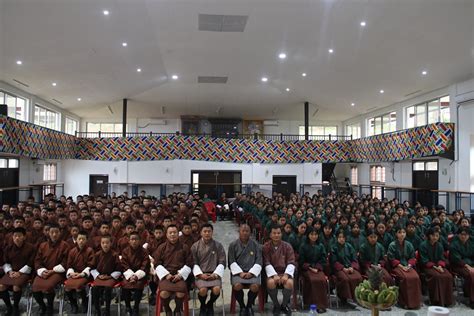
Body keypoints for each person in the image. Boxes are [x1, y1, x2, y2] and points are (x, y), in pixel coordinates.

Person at [153, 224, 193, 316]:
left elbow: (189, 263)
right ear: (166, 235)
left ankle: (177, 309)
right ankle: (167, 310)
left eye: (174, 232)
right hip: (166, 276)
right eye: (170, 233)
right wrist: (166, 275)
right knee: (163, 293)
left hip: (180, 275)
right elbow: (157, 263)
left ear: (178, 234)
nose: (172, 235)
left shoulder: (184, 247)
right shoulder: (161, 247)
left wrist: (180, 275)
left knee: (180, 292)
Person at [32, 223, 71, 315]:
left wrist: (53, 270)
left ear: (60, 233)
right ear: (48, 233)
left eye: (56, 232)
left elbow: (66, 262)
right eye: (52, 232)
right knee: (34, 288)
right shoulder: (43, 245)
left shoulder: (65, 245)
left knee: (48, 287)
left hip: (57, 273)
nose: (54, 234)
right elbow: (37, 260)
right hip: (44, 271)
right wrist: (41, 270)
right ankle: (42, 306)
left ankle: (50, 307)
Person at [191, 223, 226, 316]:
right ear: (201, 233)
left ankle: (210, 304)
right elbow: (193, 262)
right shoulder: (195, 246)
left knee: (216, 289)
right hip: (201, 274)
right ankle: (203, 305)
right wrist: (200, 275)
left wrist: (215, 274)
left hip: (214, 274)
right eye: (205, 231)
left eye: (209, 231)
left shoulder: (218, 245)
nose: (207, 233)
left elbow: (222, 261)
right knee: (203, 290)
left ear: (212, 232)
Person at [228, 223, 262, 316]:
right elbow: (231, 261)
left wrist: (251, 273)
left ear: (250, 233)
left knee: (255, 286)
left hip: (252, 272)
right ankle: (242, 306)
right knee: (237, 285)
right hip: (238, 273)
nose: (245, 233)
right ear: (239, 232)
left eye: (247, 231)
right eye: (243, 231)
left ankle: (249, 306)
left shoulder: (256, 245)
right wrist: (240, 273)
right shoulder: (233, 245)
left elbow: (259, 261)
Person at [0, 227, 36, 316]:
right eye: (15, 236)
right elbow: (5, 262)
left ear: (24, 237)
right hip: (12, 272)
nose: (17, 238)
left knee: (16, 286)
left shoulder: (31, 247)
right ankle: (9, 307)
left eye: (19, 236)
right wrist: (9, 272)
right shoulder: (8, 248)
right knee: (1, 286)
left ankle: (16, 307)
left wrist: (19, 272)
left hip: (25, 272)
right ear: (12, 237)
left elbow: (30, 263)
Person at [262, 224, 295, 316]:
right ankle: (276, 305)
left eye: (278, 233)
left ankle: (284, 305)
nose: (276, 235)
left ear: (282, 234)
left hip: (285, 272)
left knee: (289, 283)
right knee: (271, 283)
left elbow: (291, 262)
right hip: (272, 273)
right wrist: (273, 274)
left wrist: (286, 275)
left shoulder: (287, 246)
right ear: (270, 235)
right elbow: (266, 262)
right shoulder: (266, 247)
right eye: (274, 233)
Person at [387, 226, 421, 309]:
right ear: (396, 234)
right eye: (399, 232)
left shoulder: (409, 244)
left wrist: (409, 265)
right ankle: (403, 302)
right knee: (405, 278)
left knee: (415, 277)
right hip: (397, 266)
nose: (402, 234)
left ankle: (415, 302)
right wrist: (402, 266)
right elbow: (392, 259)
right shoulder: (392, 245)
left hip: (407, 266)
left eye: (403, 232)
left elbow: (412, 257)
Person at [419, 227, 453, 306]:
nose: (435, 237)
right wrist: (435, 267)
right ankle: (435, 300)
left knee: (448, 276)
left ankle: (446, 301)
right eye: (433, 235)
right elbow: (424, 260)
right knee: (436, 276)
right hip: (427, 266)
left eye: (437, 236)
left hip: (438, 266)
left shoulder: (440, 245)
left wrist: (440, 266)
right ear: (429, 236)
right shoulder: (423, 245)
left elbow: (441, 258)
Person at [298, 227, 328, 313]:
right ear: (308, 235)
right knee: (313, 280)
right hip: (307, 269)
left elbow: (323, 259)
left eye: (315, 234)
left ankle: (322, 305)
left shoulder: (321, 246)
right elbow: (301, 261)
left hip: (318, 269)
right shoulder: (303, 246)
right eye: (312, 234)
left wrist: (317, 268)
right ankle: (312, 303)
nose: (314, 236)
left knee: (322, 280)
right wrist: (310, 267)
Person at [64, 230, 95, 314]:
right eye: (79, 239)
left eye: (83, 239)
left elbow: (91, 265)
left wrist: (81, 274)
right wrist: (71, 273)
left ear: (86, 240)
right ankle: (74, 304)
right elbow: (69, 265)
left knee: (78, 287)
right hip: (74, 274)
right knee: (67, 287)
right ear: (76, 240)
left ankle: (84, 302)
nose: (81, 241)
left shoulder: (89, 250)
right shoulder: (72, 251)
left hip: (85, 275)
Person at [91, 235, 122, 316]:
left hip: (111, 277)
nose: (105, 245)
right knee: (95, 288)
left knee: (108, 288)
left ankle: (107, 310)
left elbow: (119, 270)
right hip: (100, 276)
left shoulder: (115, 255)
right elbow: (92, 268)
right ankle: (97, 310)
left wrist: (110, 276)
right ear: (100, 244)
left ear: (110, 243)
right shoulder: (97, 254)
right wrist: (98, 275)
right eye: (103, 243)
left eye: (107, 243)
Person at [121, 231, 150, 316]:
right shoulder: (125, 251)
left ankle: (136, 307)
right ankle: (128, 306)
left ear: (139, 240)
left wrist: (136, 276)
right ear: (129, 241)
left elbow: (145, 265)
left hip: (140, 275)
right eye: (132, 239)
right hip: (128, 275)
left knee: (139, 286)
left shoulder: (144, 251)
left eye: (136, 239)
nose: (134, 241)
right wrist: (131, 276)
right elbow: (124, 265)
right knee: (125, 285)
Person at [330, 230, 363, 305]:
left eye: (343, 237)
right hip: (339, 269)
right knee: (344, 279)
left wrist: (352, 267)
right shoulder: (334, 247)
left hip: (350, 267)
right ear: (337, 238)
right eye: (340, 237)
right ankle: (344, 298)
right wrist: (343, 268)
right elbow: (334, 261)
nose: (341, 239)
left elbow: (354, 259)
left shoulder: (349, 246)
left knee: (358, 277)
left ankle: (356, 297)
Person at [449, 227, 474, 308]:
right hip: (459, 265)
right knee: (470, 275)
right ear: (458, 235)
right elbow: (456, 259)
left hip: (471, 265)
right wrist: (468, 266)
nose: (464, 236)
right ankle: (472, 299)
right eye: (462, 234)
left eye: (466, 235)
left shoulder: (471, 243)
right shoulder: (454, 244)